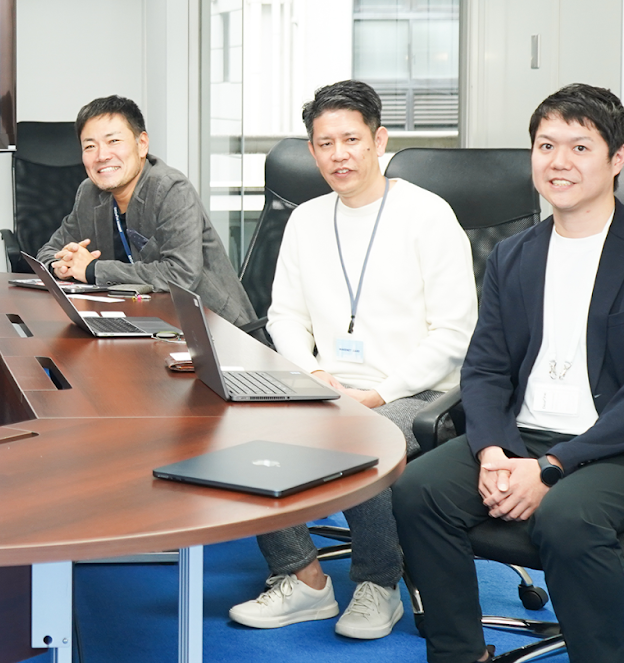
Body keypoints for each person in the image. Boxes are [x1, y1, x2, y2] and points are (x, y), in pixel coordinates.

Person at [227, 81, 478, 639]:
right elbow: (284, 317)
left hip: (418, 392)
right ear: (312, 150)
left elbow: (455, 334)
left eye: (351, 140)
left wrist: (376, 395)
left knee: (359, 436)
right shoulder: (307, 219)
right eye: (325, 144)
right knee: (246, 427)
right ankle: (303, 579)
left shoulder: (427, 215)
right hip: (328, 384)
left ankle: (378, 584)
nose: (338, 155)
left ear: (378, 140)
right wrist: (315, 374)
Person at [395, 83, 624, 663]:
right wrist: (494, 451)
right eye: (546, 146)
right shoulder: (514, 254)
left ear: (617, 159)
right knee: (418, 490)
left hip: (608, 447)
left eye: (580, 147)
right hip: (523, 434)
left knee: (568, 519)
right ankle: (459, 652)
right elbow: (486, 368)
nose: (559, 162)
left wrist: (551, 468)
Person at [38, 95, 254, 326]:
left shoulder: (171, 189)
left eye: (113, 141)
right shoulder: (90, 193)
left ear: (142, 144)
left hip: (213, 327)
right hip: (144, 322)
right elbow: (48, 252)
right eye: (90, 146)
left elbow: (181, 275)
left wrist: (93, 269)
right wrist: (61, 266)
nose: (101, 156)